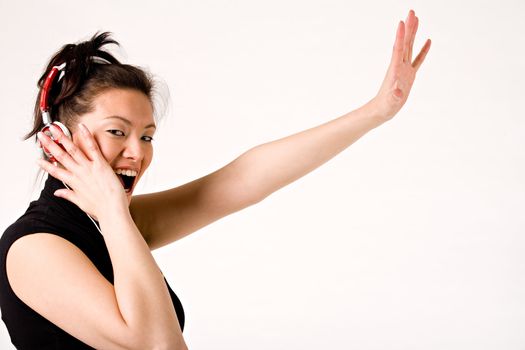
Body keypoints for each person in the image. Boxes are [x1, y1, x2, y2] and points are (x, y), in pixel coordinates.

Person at [0, 9, 430, 350]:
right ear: (58, 137)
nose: (138, 152)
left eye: (147, 136)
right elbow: (159, 346)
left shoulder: (110, 225)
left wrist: (376, 112)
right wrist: (114, 211)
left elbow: (243, 180)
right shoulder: (34, 248)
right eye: (117, 131)